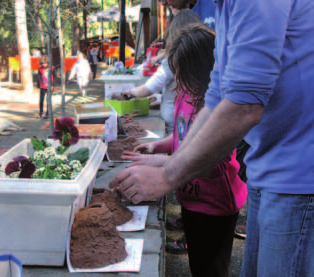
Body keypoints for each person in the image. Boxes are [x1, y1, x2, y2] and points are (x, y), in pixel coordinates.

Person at [110, 1, 314, 276]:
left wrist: (168, 173)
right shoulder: (225, 8)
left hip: (299, 173)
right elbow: (218, 97)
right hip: (269, 165)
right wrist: (170, 162)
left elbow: (243, 106)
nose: (163, 2)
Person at [121, 23, 247, 276]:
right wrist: (161, 146)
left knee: (210, 267)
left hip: (216, 206)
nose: (177, 81)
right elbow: (181, 136)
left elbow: (213, 164)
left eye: (182, 74)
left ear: (202, 70)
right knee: (198, 263)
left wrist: (166, 165)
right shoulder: (185, 96)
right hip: (191, 198)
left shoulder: (216, 110)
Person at [123, 10, 202, 137]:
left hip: (175, 122)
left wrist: (130, 92)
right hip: (194, 120)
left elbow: (148, 89)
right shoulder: (201, 58)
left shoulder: (173, 61)